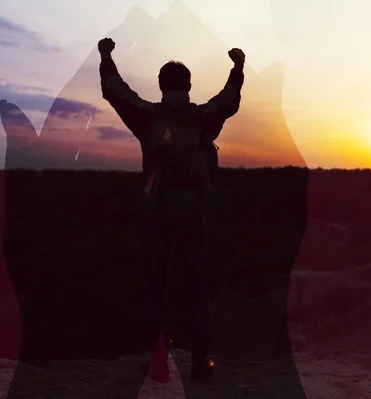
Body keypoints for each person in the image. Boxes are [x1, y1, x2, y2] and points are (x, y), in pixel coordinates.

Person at [98, 37, 245, 382]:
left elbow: (115, 90)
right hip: (193, 213)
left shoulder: (147, 116)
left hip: (156, 213)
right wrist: (237, 66)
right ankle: (200, 361)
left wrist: (106, 54)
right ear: (189, 86)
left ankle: (159, 362)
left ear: (161, 86)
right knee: (196, 287)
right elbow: (229, 99)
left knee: (155, 286)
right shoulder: (204, 118)